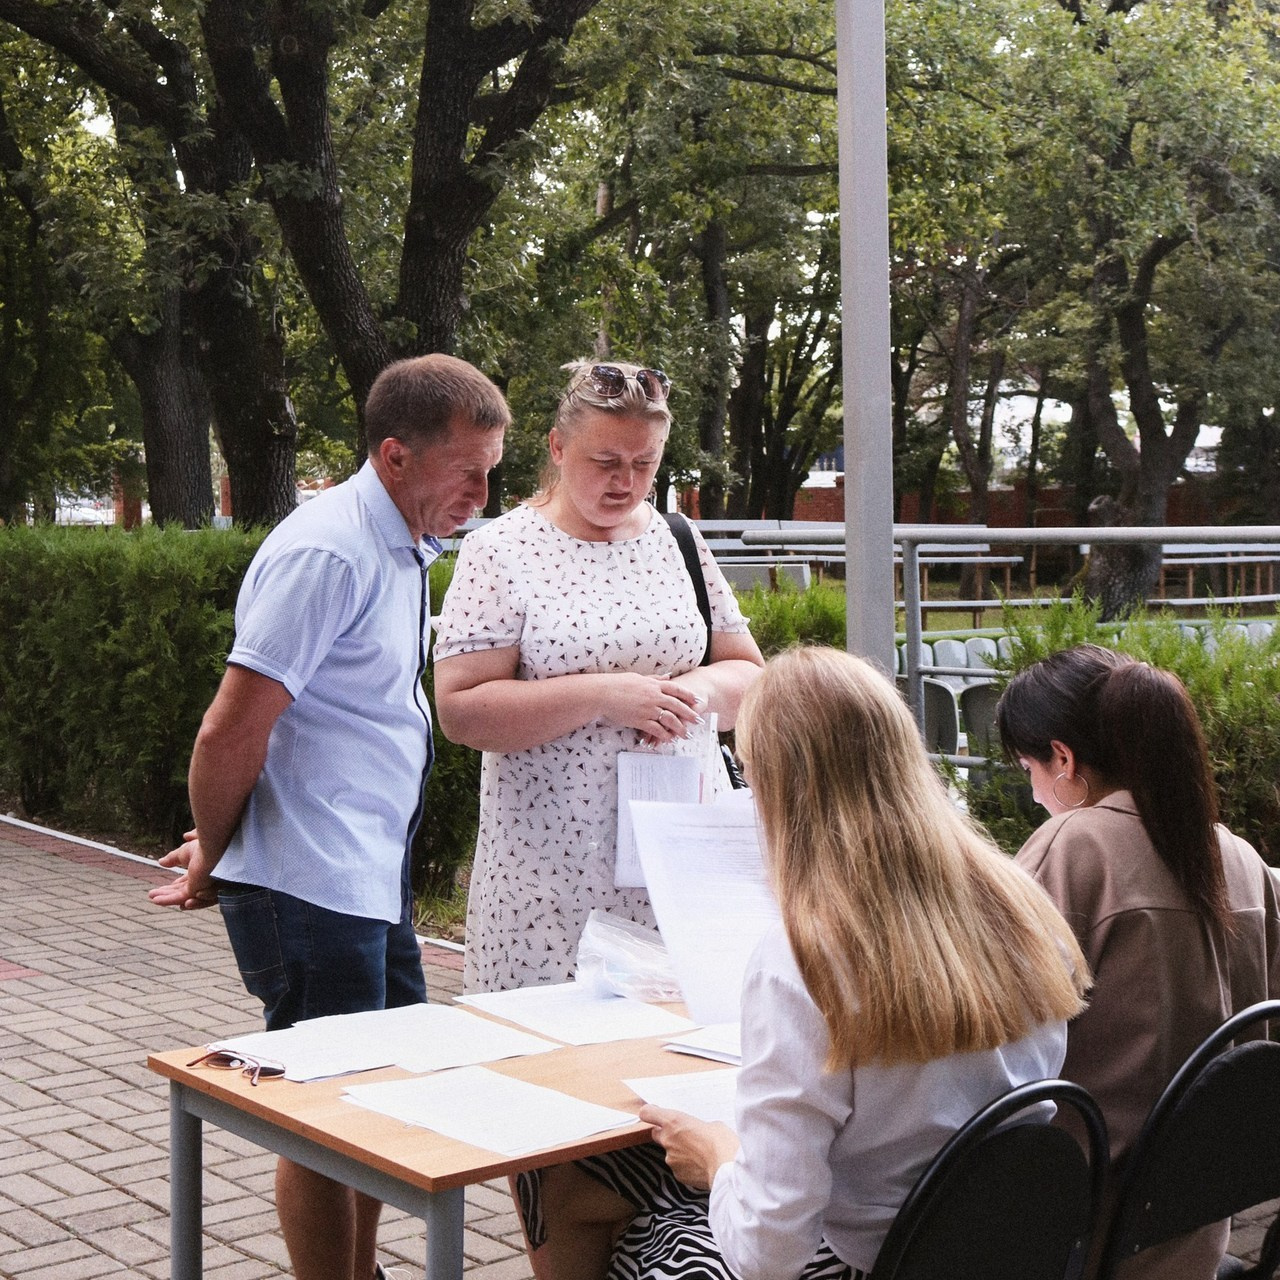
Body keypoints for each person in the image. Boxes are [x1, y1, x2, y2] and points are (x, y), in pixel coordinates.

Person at [523, 646, 1089, 1280]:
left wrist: (719, 1157)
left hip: (869, 1257)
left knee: (610, 1214)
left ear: (780, 788)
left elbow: (768, 1254)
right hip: (994, 1244)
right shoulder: (1022, 906)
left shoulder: (805, 958)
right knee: (582, 1182)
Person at [147, 353, 510, 1280]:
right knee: (326, 1115)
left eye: (490, 473)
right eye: (467, 472)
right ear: (395, 455)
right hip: (315, 884)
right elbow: (232, 727)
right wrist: (217, 851)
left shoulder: (400, 543)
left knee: (377, 1102)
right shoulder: (329, 552)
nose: (481, 495)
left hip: (362, 877)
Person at [432, 360, 765, 992]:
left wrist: (690, 694)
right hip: (547, 879)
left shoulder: (679, 539)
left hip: (676, 870)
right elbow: (460, 710)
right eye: (606, 461)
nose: (626, 482)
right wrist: (602, 696)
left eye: (645, 464)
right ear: (558, 448)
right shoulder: (500, 550)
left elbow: (752, 677)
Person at [997, 643, 1280, 1279]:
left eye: (1029, 769)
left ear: (1063, 758)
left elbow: (988, 1040)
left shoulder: (1072, 848)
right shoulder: (1237, 855)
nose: (1035, 794)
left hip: (1080, 1233)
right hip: (1193, 1229)